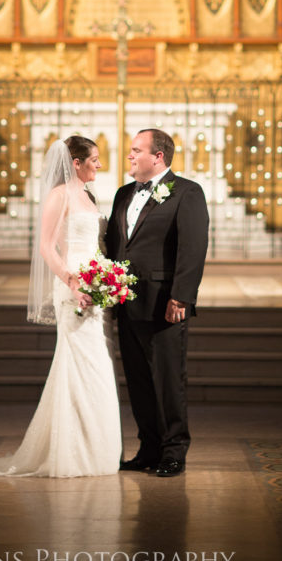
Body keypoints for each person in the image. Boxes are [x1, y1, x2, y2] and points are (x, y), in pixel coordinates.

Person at [0, 135, 121, 478]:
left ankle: (95, 450)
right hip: (72, 286)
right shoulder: (58, 196)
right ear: (75, 163)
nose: (100, 165)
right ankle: (72, 454)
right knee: (78, 366)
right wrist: (72, 281)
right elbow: (47, 247)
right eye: (95, 159)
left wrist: (106, 277)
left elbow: (95, 244)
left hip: (93, 284)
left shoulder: (88, 196)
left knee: (96, 369)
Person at [105, 129, 208, 478]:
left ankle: (174, 450)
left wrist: (181, 295)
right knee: (138, 380)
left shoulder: (187, 193)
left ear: (159, 156)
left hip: (164, 302)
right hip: (126, 302)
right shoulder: (122, 194)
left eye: (136, 150)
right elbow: (117, 246)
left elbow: (192, 249)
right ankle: (148, 447)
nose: (130, 156)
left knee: (167, 380)